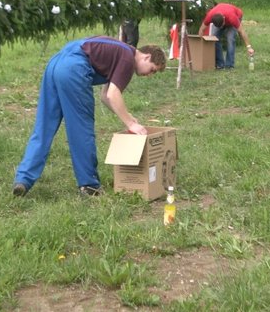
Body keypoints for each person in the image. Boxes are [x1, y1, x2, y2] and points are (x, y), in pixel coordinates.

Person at [13, 36, 166, 197]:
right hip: (73, 68)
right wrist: (130, 124)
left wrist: (128, 117)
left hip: (55, 63)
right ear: (147, 56)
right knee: (81, 129)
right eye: (152, 70)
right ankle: (89, 185)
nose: (149, 75)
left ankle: (23, 180)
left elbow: (105, 96)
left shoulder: (121, 50)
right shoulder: (128, 59)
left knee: (43, 127)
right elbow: (113, 94)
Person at [198, 3, 255, 69]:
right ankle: (220, 64)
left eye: (222, 25)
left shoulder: (232, 17)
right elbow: (201, 29)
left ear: (224, 18)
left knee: (230, 39)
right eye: (220, 27)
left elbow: (242, 31)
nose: (222, 27)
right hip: (221, 14)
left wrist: (249, 47)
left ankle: (229, 65)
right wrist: (199, 45)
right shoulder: (210, 16)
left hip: (236, 15)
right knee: (214, 38)